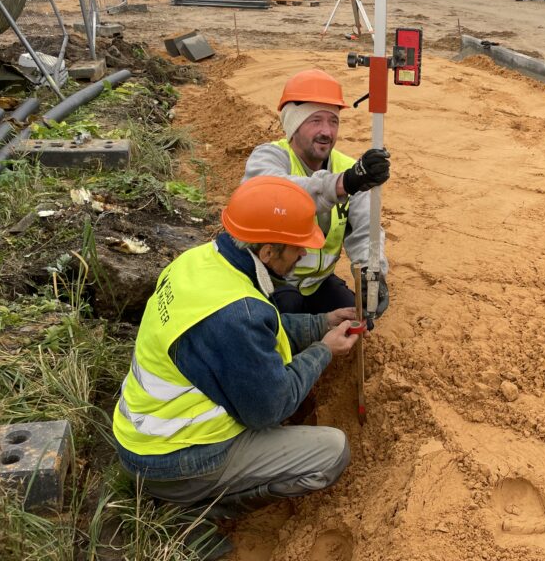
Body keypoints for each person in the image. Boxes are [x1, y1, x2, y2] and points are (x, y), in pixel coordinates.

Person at [111, 177, 362, 555]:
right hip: (175, 462)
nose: (302, 257)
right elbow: (270, 408)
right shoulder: (236, 315)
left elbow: (262, 329)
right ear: (266, 252)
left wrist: (320, 323)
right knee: (332, 451)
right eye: (296, 249)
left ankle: (187, 495)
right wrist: (323, 351)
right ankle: (195, 509)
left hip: (143, 437)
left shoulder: (199, 263)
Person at [243, 69, 391, 318]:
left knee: (358, 315)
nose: (327, 131)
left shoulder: (349, 170)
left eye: (333, 121)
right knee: (282, 322)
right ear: (293, 125)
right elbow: (278, 194)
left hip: (316, 284)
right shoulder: (268, 158)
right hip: (271, 284)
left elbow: (366, 231)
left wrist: (372, 272)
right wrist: (342, 184)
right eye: (316, 121)